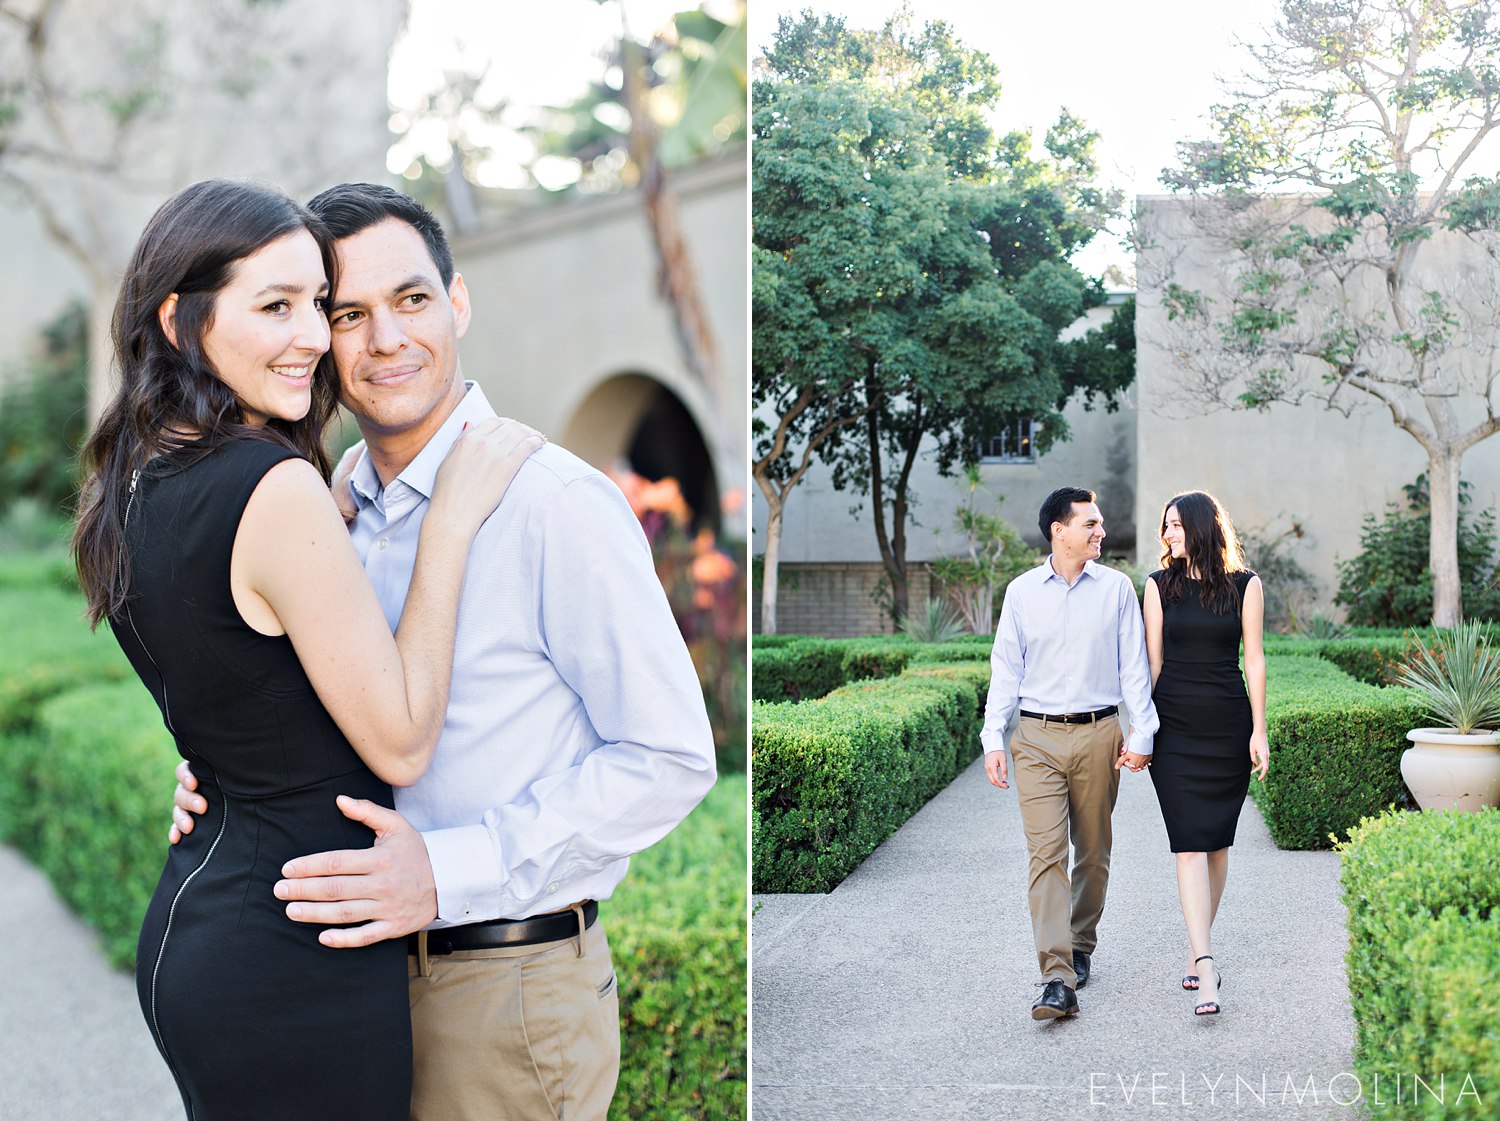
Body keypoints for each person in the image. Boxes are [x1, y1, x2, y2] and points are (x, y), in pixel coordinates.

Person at [170, 182, 717, 1120]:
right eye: (348, 313)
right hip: (347, 985)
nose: (385, 339)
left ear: (457, 302)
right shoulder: (328, 506)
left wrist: (449, 869)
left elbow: (670, 757)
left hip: (499, 986)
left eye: (412, 299)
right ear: (312, 334)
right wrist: (226, 777)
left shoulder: (551, 501)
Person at [72, 179, 541, 1120]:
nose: (316, 337)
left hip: (208, 919)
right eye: (275, 306)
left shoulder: (135, 480)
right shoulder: (271, 486)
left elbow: (228, 680)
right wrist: (447, 521)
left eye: (316, 306)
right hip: (291, 952)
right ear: (180, 317)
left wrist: (225, 765)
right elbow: (401, 743)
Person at [980, 486, 1159, 1021]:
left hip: (1100, 734)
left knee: (1094, 853)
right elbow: (1005, 670)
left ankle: (1081, 942)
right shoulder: (1021, 592)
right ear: (1059, 530)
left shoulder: (1116, 590)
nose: (1101, 532)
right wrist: (994, 739)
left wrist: (1141, 734)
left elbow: (1134, 669)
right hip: (1034, 739)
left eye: (1100, 524)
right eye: (1091, 524)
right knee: (1046, 856)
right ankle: (1056, 977)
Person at [1143, 491, 1270, 1017]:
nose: (1168, 535)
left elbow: (1256, 662)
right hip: (1174, 728)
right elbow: (1151, 665)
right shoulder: (1157, 586)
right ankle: (1206, 960)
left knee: (1216, 845)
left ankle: (1199, 947)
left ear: (1200, 528)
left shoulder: (1246, 585)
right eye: (1165, 526)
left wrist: (1259, 729)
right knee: (1189, 845)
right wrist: (1138, 733)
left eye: (1175, 526)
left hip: (1226, 725)